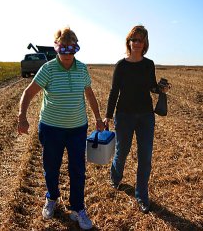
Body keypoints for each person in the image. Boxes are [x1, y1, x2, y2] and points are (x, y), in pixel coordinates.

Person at [17, 27, 104, 230]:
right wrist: (22, 117)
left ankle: (78, 208)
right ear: (57, 48)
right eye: (63, 49)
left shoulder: (82, 69)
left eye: (71, 49)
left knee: (77, 169)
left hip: (77, 129)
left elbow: (90, 95)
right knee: (51, 167)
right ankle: (52, 198)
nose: (67, 54)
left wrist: (98, 118)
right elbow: (28, 93)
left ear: (76, 49)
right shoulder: (47, 69)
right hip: (51, 129)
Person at [103, 25, 169, 214]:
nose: (137, 43)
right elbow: (114, 91)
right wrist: (108, 115)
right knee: (122, 152)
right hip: (124, 115)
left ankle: (141, 195)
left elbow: (151, 87)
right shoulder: (121, 65)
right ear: (129, 42)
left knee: (145, 157)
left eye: (141, 40)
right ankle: (115, 178)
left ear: (145, 43)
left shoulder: (149, 64)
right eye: (134, 39)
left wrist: (160, 89)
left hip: (146, 116)